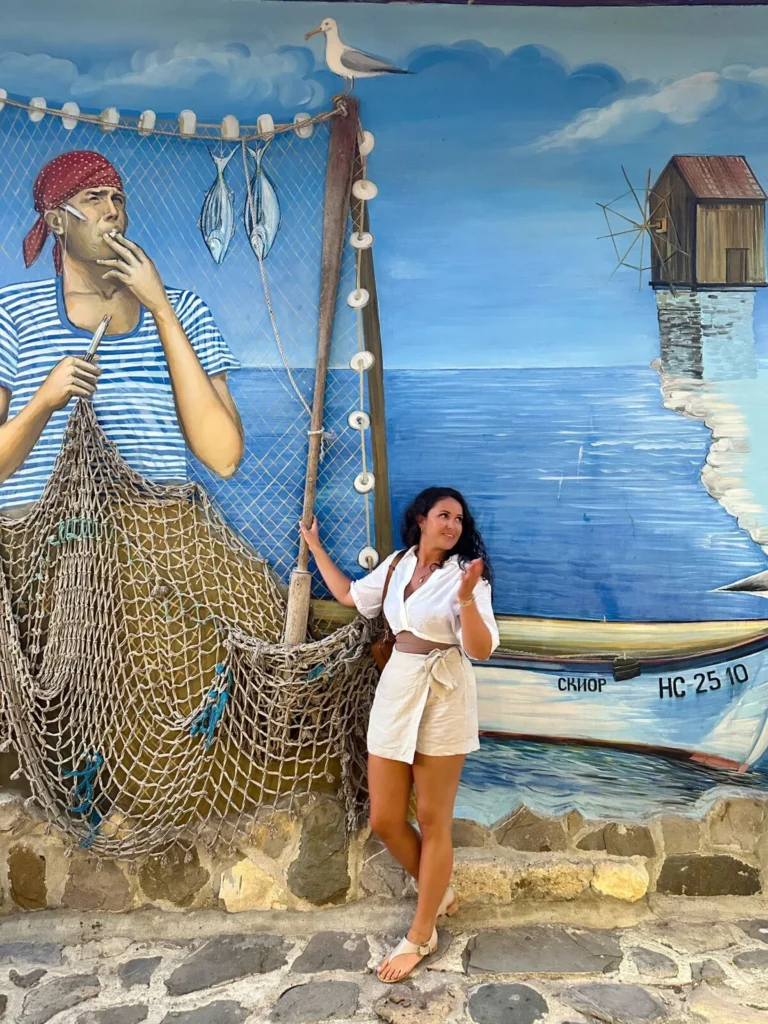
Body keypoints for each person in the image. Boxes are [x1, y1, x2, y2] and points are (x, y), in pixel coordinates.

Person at [300, 486, 499, 983]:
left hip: (444, 694)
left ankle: (421, 932)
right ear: (420, 519)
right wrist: (317, 547)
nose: (452, 525)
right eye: (443, 515)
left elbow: (481, 648)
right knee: (386, 818)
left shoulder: (465, 576)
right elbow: (351, 597)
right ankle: (440, 891)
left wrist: (468, 600)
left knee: (433, 821)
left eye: (459, 518)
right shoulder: (396, 565)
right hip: (396, 691)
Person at [0, 150, 243, 511]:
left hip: (158, 531)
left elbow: (224, 458)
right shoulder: (12, 312)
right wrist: (44, 401)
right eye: (92, 198)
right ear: (57, 221)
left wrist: (161, 309)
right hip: (44, 533)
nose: (111, 211)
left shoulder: (186, 310)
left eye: (117, 199)